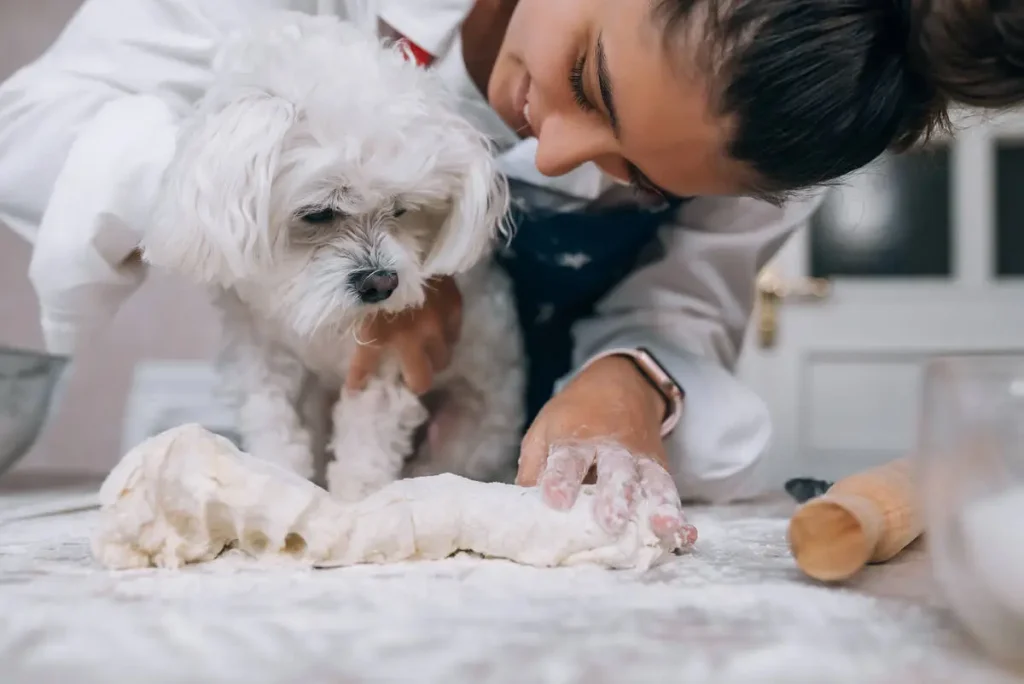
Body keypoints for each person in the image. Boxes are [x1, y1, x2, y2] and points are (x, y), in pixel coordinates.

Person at [0, 0, 1020, 543]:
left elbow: (682, 310)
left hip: (499, 489)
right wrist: (288, 211)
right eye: (585, 76)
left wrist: (634, 379)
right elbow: (32, 129)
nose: (559, 154)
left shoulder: (762, 145)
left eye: (633, 172)